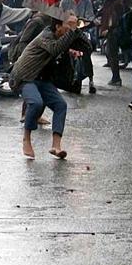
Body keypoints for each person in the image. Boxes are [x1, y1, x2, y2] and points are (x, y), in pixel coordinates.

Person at [10, 12, 83, 159]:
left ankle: (56, 146)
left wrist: (77, 30)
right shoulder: (46, 36)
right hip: (25, 77)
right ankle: (26, 138)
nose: (70, 29)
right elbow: (55, 48)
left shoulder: (64, 36)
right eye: (67, 25)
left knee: (60, 105)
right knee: (36, 103)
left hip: (43, 79)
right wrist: (73, 31)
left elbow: (86, 46)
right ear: (58, 27)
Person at [60, 0, 97, 94]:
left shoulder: (86, 0)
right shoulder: (65, 0)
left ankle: (91, 80)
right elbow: (60, 15)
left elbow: (90, 15)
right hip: (68, 31)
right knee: (62, 53)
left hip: (82, 30)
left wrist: (89, 21)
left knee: (87, 53)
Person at [98, 0, 125, 86]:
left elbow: (114, 19)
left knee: (113, 55)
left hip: (114, 32)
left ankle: (116, 78)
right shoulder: (107, 3)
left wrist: (108, 29)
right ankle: (115, 77)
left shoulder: (117, 4)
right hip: (110, 31)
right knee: (111, 54)